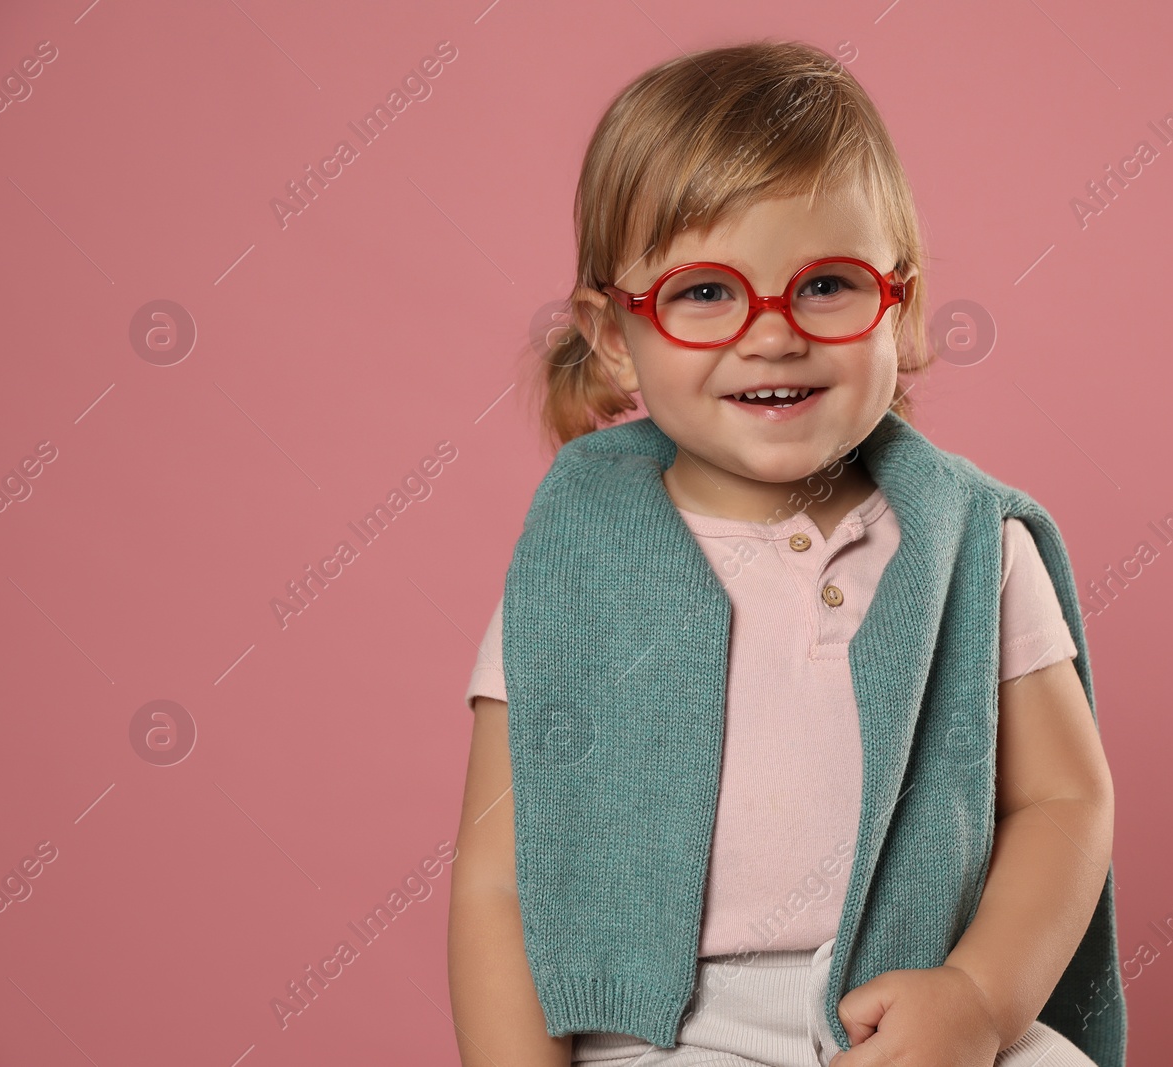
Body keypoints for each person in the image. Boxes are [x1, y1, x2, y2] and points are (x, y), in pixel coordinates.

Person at [447, 39, 1125, 1067]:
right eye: (706, 292)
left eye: (827, 284)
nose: (772, 335)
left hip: (909, 1002)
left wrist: (979, 1000)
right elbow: (498, 877)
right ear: (614, 333)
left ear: (896, 305)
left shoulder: (966, 547)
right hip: (667, 1027)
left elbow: (1065, 799)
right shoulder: (574, 563)